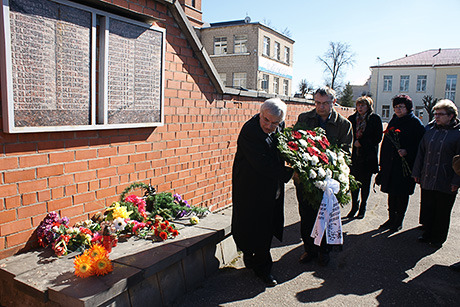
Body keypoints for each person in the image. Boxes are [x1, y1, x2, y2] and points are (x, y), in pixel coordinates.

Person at [232, 98, 294, 287]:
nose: (269, 126)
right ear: (260, 113)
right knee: (254, 225)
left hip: (270, 186)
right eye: (266, 120)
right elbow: (262, 164)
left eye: (275, 123)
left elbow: (282, 148)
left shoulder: (278, 125)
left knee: (265, 226)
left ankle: (257, 262)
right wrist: (292, 173)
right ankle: (262, 268)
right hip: (251, 187)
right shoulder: (250, 131)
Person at [293, 86, 352, 266]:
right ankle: (309, 249)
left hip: (328, 181)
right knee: (307, 215)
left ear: (333, 102)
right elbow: (295, 143)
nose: (320, 107)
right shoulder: (305, 118)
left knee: (326, 214)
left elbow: (346, 153)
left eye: (325, 103)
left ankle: (324, 250)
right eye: (317, 103)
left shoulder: (343, 124)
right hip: (306, 178)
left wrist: (328, 165)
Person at [412, 99, 460, 249]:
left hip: (446, 178)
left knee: (442, 210)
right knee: (428, 207)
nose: (437, 117)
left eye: (441, 114)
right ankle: (427, 233)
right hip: (428, 175)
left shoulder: (457, 133)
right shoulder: (430, 129)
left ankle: (438, 238)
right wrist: (417, 171)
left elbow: (459, 161)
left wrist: (456, 181)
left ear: (451, 116)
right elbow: (421, 152)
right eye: (435, 114)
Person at [378, 94, 425, 232]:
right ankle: (391, 218)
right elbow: (386, 142)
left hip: (405, 165)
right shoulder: (394, 121)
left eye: (401, 107)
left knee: (401, 193)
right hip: (391, 164)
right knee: (391, 193)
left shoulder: (415, 123)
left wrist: (408, 151)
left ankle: (399, 220)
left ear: (408, 108)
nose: (398, 109)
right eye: (396, 107)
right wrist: (383, 163)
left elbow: (421, 145)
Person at [347, 96, 383, 219]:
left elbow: (377, 137)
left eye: (363, 105)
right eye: (359, 105)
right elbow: (347, 136)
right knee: (353, 183)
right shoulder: (351, 119)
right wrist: (354, 143)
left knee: (365, 184)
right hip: (354, 157)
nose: (361, 108)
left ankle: (363, 206)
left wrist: (361, 142)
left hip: (367, 157)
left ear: (368, 107)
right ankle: (354, 206)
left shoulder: (374, 119)